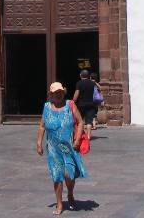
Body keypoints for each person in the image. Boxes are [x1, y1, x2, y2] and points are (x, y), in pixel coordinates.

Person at [36, 82, 87, 215]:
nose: (58, 95)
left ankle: (70, 193)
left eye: (60, 92)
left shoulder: (70, 105)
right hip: (53, 149)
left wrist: (77, 140)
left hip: (69, 147)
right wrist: (39, 143)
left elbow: (80, 122)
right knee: (57, 175)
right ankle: (59, 204)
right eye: (55, 93)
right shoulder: (47, 107)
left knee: (68, 174)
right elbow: (42, 126)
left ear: (63, 93)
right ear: (51, 95)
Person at [72, 69, 96, 138]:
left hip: (81, 105)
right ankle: (88, 136)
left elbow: (77, 93)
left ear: (80, 75)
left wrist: (73, 101)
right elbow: (97, 91)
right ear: (88, 76)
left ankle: (80, 135)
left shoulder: (79, 83)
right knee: (89, 121)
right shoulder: (92, 83)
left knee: (79, 120)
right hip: (91, 104)